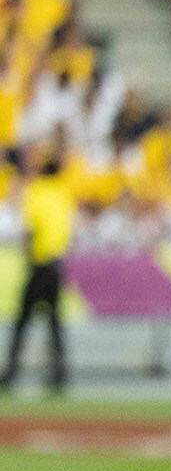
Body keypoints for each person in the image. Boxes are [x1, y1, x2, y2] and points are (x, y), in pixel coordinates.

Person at [1, 143, 76, 393]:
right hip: (56, 264)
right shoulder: (63, 192)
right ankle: (59, 374)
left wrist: (28, 255)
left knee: (23, 321)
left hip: (39, 263)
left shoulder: (36, 191)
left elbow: (30, 228)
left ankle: (11, 373)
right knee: (54, 323)